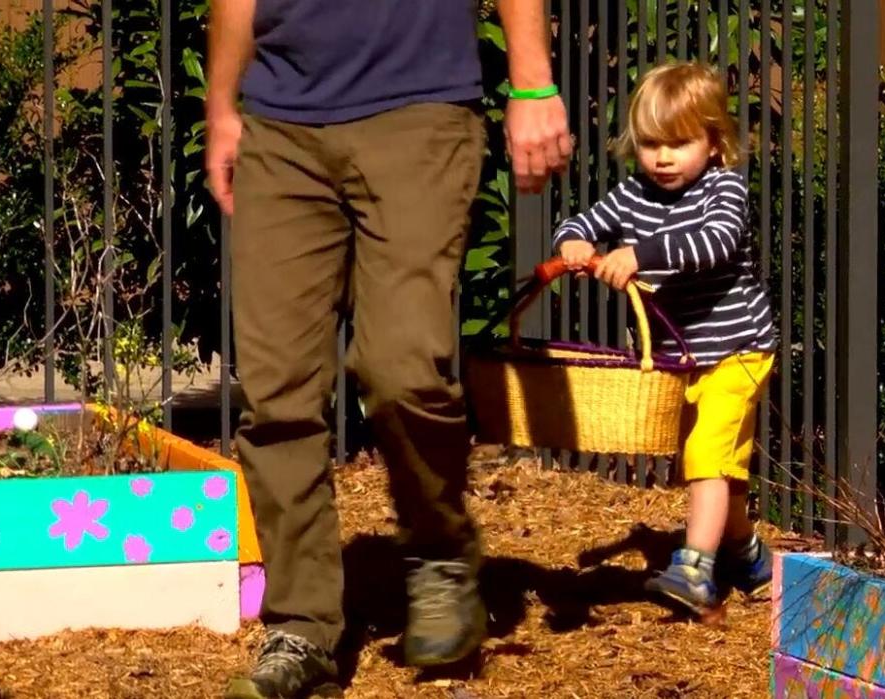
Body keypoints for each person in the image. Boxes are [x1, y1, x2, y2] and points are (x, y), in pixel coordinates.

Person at [204, 0, 571, 696]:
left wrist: (532, 81)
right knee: (277, 391)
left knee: (402, 366)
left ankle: (439, 550)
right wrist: (223, 105)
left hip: (419, 111)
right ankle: (301, 625)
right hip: (281, 124)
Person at [553, 61, 775, 615]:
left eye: (679, 143)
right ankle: (747, 553)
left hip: (738, 349)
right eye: (651, 144)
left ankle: (696, 571)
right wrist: (574, 244)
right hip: (685, 354)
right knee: (716, 467)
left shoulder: (723, 189)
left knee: (706, 456)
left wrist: (640, 254)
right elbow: (581, 223)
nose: (663, 157)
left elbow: (716, 242)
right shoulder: (634, 195)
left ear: (715, 142)